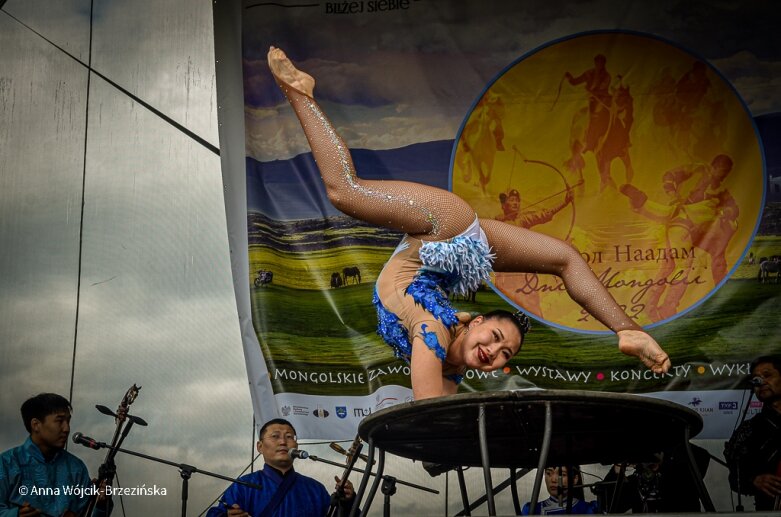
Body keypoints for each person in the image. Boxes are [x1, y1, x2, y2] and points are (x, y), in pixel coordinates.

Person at [267, 47, 671, 400]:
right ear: (476, 323)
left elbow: (442, 422)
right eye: (496, 339)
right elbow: (427, 413)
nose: (494, 354)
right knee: (344, 192)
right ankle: (300, 91)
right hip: (444, 223)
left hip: (459, 249)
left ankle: (627, 329)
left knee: (565, 258)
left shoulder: (454, 357)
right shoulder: (432, 332)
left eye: (504, 356)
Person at [206, 419, 354, 517]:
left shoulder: (315, 489)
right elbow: (216, 513)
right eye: (275, 436)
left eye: (289, 437)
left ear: (297, 446)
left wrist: (347, 501)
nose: (283, 442)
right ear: (260, 446)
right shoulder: (243, 486)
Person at [0, 393, 112, 517]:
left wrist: (100, 505)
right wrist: (16, 515)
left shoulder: (76, 468)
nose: (67, 428)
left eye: (68, 421)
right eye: (59, 421)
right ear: (36, 425)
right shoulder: (7, 463)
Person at [725, 355, 781, 511]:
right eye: (755, 379)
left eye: (767, 375)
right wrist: (753, 480)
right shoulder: (748, 430)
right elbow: (735, 478)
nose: (760, 382)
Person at [521, 466, 598, 515]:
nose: (553, 480)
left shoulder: (588, 509)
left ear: (575, 479)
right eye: (548, 473)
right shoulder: (531, 510)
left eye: (562, 474)